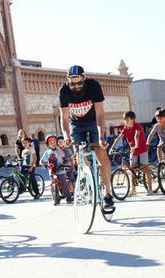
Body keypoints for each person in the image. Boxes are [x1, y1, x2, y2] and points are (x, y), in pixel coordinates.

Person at [59, 65, 114, 209]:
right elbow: (64, 118)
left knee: (101, 153)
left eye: (79, 82)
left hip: (93, 122)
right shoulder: (64, 91)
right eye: (72, 83)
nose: (76, 86)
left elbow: (100, 114)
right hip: (76, 124)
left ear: (84, 77)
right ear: (68, 80)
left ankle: (108, 193)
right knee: (80, 154)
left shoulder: (93, 86)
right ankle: (87, 180)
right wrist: (66, 136)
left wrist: (101, 137)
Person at [109, 111, 153, 196]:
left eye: (127, 119)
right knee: (132, 169)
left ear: (133, 119)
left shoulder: (138, 127)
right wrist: (112, 148)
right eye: (124, 120)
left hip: (142, 149)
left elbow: (136, 135)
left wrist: (136, 145)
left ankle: (150, 189)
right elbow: (119, 138)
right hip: (133, 150)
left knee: (146, 168)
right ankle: (133, 190)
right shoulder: (125, 128)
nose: (125, 121)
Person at [40, 136, 72, 203]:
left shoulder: (59, 150)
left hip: (60, 169)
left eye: (54, 142)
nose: (53, 144)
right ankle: (55, 197)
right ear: (48, 144)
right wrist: (46, 166)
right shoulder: (47, 152)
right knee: (53, 184)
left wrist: (58, 148)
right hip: (52, 171)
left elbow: (63, 155)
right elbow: (41, 161)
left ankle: (68, 197)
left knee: (64, 184)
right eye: (51, 143)